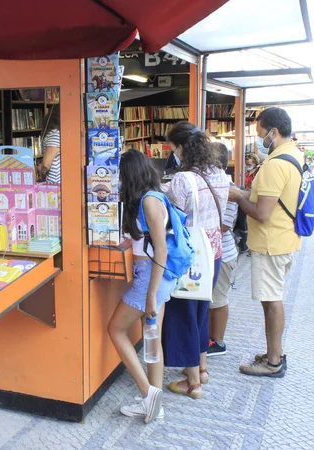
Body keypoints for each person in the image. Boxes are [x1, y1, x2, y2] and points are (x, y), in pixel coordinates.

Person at [228, 107, 302, 377]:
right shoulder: (293, 155)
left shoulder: (274, 164)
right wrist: (245, 193)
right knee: (272, 300)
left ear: (273, 131)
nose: (259, 139)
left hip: (271, 243)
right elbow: (268, 198)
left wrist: (238, 197)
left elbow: (261, 212)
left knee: (272, 302)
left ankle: (273, 361)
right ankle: (275, 351)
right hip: (284, 239)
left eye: (260, 133)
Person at [163, 121, 229, 399]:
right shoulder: (220, 174)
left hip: (189, 257)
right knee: (200, 311)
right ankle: (201, 368)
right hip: (212, 253)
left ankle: (192, 383)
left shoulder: (182, 180)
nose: (173, 153)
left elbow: (171, 217)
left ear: (181, 148)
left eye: (173, 148)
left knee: (183, 314)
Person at [108, 149, 174, 423]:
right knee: (152, 338)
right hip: (157, 277)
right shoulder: (154, 196)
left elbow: (161, 251)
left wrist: (149, 296)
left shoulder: (148, 202)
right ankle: (154, 403)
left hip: (151, 276)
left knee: (116, 329)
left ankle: (148, 394)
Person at [208, 142, 239, 357]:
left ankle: (218, 341)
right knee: (212, 298)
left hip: (223, 252)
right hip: (214, 251)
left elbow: (225, 225)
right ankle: (212, 337)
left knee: (218, 298)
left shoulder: (228, 188)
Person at [38, 104, 61, 183]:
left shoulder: (54, 134)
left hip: (54, 182)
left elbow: (46, 165)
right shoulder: (60, 133)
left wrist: (40, 171)